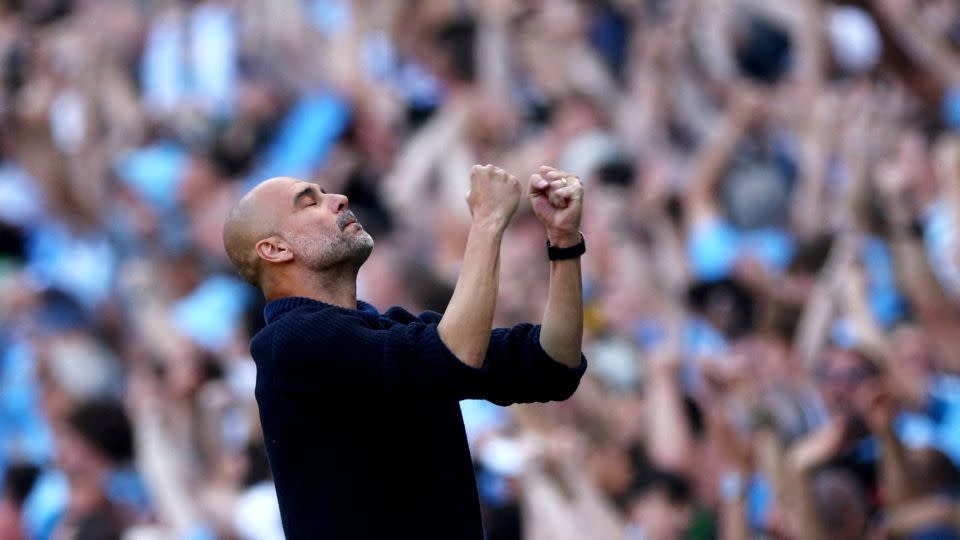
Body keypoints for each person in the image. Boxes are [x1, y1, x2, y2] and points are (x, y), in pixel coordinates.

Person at [221, 164, 589, 539]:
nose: (339, 199)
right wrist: (487, 223)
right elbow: (451, 359)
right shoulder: (290, 343)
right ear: (275, 248)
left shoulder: (387, 331)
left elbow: (553, 362)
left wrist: (564, 243)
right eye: (309, 202)